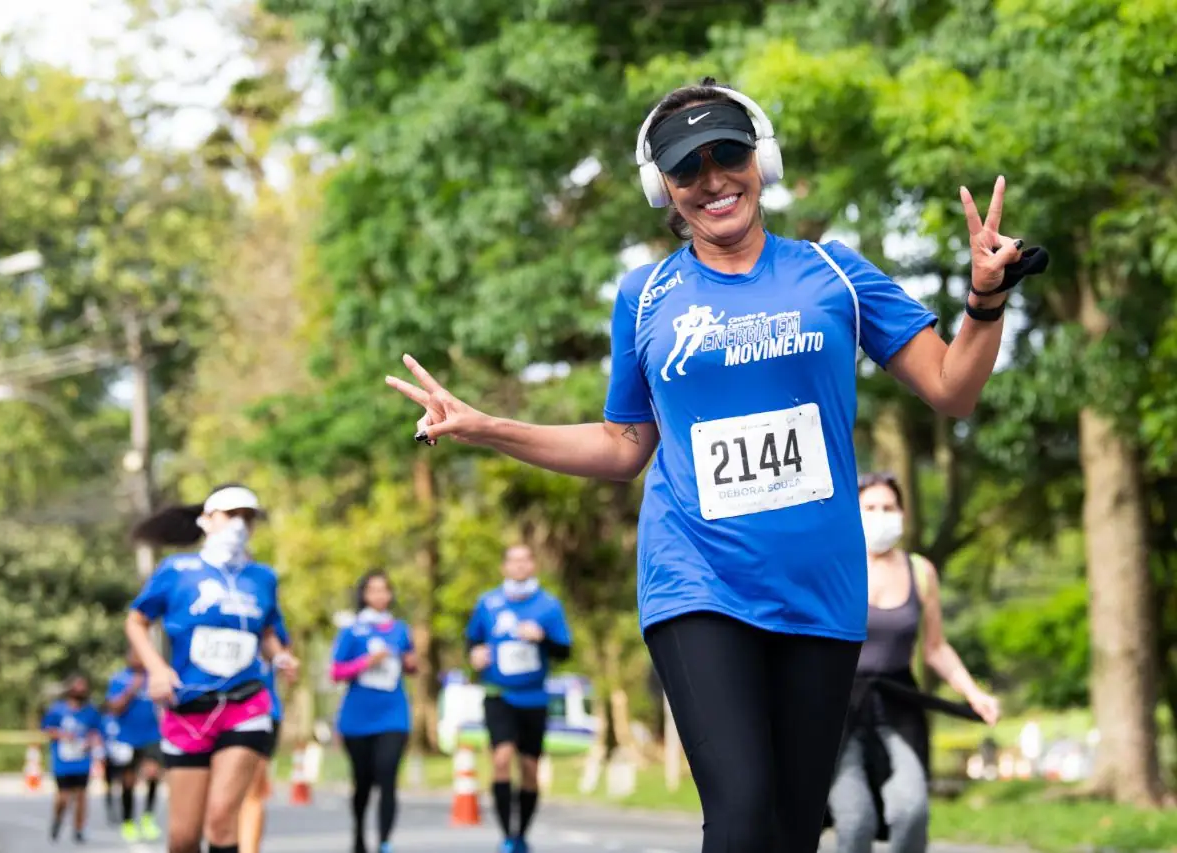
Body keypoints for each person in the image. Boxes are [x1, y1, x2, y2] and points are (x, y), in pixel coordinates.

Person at [385, 76, 1045, 852]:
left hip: (824, 590)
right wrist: (487, 425)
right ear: (660, 187)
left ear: (760, 159)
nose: (712, 180)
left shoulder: (834, 274)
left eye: (727, 154)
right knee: (739, 813)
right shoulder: (646, 295)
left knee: (795, 828)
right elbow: (624, 445)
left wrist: (985, 302)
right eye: (686, 168)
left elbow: (952, 388)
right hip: (697, 579)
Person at [825, 472, 1000, 853]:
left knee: (911, 810)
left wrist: (974, 694)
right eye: (869, 508)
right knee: (855, 821)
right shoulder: (835, 564)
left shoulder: (921, 572)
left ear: (902, 513)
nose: (880, 515)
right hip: (839, 710)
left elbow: (935, 648)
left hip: (899, 706)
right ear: (853, 513)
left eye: (888, 508)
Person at [126, 483, 299, 853]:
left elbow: (267, 631)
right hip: (188, 706)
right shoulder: (177, 570)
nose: (240, 525)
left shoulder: (262, 578)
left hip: (245, 704)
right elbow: (136, 621)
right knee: (184, 838)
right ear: (207, 520)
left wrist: (279, 654)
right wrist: (156, 669)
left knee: (221, 821)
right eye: (231, 515)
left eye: (248, 518)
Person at [465, 544, 572, 853]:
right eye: (513, 560)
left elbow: (564, 651)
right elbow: (473, 639)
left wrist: (542, 637)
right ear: (504, 567)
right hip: (499, 694)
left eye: (525, 560)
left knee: (529, 769)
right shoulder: (488, 602)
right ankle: (506, 836)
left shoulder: (548, 606)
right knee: (500, 759)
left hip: (534, 698)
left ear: (533, 565)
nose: (519, 566)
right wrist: (475, 654)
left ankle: (522, 832)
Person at [331, 569, 416, 853]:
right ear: (364, 595)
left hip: (393, 714)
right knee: (363, 781)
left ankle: (385, 842)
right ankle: (358, 835)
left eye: (385, 589)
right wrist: (366, 662)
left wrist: (411, 662)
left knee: (388, 774)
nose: (380, 595)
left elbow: (411, 665)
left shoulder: (401, 630)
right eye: (373, 590)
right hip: (358, 717)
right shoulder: (352, 630)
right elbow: (336, 671)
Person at [237, 617, 292, 853]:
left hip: (262, 709)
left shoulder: (263, 599)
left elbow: (281, 650)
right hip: (207, 709)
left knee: (252, 790)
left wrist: (284, 661)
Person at [103, 647, 164, 842]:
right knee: (128, 781)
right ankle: (128, 821)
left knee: (153, 774)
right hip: (127, 738)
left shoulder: (155, 676)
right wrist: (132, 689)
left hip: (152, 736)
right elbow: (114, 708)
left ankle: (148, 817)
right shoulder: (119, 679)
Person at [42, 675, 103, 843]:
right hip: (63, 762)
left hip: (82, 761)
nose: (80, 691)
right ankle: (58, 819)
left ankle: (78, 829)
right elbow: (47, 730)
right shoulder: (57, 710)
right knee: (63, 798)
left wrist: (93, 741)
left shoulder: (91, 711)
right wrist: (63, 735)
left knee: (81, 797)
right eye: (77, 687)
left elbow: (98, 732)